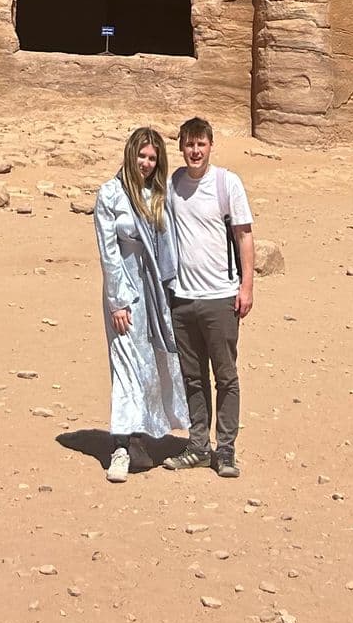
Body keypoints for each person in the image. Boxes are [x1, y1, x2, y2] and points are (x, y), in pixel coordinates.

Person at [92, 125, 187, 483]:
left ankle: (139, 439)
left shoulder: (157, 195)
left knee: (152, 363)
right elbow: (109, 253)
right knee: (126, 363)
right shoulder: (111, 194)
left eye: (152, 158)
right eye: (142, 156)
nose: (146, 163)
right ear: (130, 154)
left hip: (155, 293)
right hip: (125, 292)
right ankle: (119, 447)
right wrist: (117, 300)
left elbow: (169, 246)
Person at [164, 116, 254, 478]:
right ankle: (198, 446)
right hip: (183, 298)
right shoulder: (173, 185)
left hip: (220, 297)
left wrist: (246, 286)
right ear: (181, 147)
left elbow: (244, 235)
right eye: (189, 144)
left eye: (201, 144)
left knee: (226, 376)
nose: (195, 151)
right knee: (193, 377)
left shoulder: (226, 183)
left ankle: (226, 450)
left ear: (210, 146)